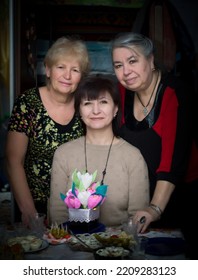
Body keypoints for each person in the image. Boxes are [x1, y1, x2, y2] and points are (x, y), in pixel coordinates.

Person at [111, 32, 196, 234]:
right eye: (118, 66)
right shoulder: (121, 92)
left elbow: (172, 160)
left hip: (179, 197)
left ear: (150, 60)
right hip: (137, 200)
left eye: (132, 61)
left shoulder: (175, 93)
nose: (126, 72)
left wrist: (155, 207)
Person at [5, 36, 90, 226]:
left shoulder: (85, 105)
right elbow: (13, 160)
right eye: (61, 67)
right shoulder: (28, 103)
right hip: (34, 208)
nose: (67, 76)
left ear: (81, 76)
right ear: (48, 69)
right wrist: (29, 212)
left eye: (74, 70)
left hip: (75, 209)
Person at [49, 74, 149, 228]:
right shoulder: (63, 154)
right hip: (73, 242)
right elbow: (57, 215)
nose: (96, 110)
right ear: (79, 111)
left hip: (119, 244)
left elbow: (137, 217)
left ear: (115, 108)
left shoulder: (133, 156)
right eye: (88, 103)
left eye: (103, 102)